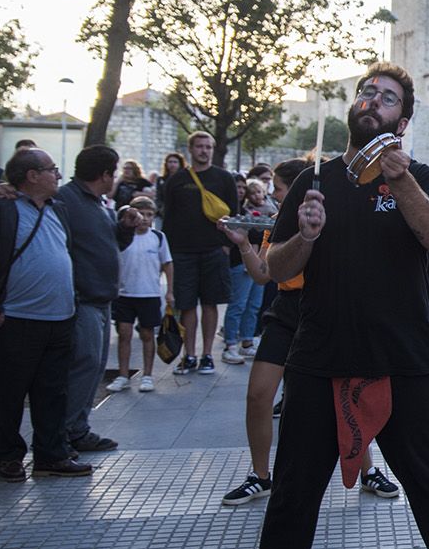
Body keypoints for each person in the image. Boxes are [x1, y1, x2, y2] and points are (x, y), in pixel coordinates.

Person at [231, 63, 429, 549]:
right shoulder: (314, 180)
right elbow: (275, 270)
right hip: (320, 358)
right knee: (296, 490)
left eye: (387, 98)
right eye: (366, 93)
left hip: (404, 362)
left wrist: (398, 181)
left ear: (402, 119)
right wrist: (306, 236)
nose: (373, 101)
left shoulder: (420, 176)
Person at [218, 158, 398, 506]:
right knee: (258, 395)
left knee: (347, 395)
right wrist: (242, 243)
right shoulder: (280, 224)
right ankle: (260, 476)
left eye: (281, 191)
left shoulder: (326, 216)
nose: (275, 197)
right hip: (286, 312)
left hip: (326, 311)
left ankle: (367, 469)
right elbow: (263, 274)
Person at [0, 149, 93, 481]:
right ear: (32, 176)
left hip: (60, 320)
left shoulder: (57, 210)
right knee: (12, 393)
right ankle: (7, 457)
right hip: (16, 321)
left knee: (52, 393)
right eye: (52, 170)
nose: (57, 176)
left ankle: (50, 456)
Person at [54, 144, 128, 455]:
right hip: (82, 300)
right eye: (115, 172)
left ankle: (78, 429)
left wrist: (124, 226)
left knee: (94, 367)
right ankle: (65, 433)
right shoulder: (65, 201)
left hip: (101, 298)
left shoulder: (98, 203)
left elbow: (113, 242)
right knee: (83, 366)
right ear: (105, 174)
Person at [161, 132, 237, 374]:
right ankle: (189, 355)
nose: (204, 151)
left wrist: (226, 246)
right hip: (183, 252)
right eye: (200, 146)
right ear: (190, 149)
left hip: (214, 250)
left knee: (210, 303)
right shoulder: (176, 180)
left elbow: (234, 215)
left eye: (208, 147)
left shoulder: (224, 178)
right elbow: (169, 217)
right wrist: (168, 254)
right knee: (187, 305)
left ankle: (207, 355)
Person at [105, 197, 172, 393]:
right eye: (140, 214)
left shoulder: (158, 237)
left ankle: (147, 375)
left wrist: (170, 291)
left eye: (149, 215)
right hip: (124, 293)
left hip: (149, 293)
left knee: (147, 334)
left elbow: (168, 263)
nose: (144, 219)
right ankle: (123, 375)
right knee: (124, 334)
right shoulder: (123, 236)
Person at [221, 179, 272, 364]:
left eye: (244, 187)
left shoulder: (265, 209)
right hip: (240, 263)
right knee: (238, 304)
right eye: (238, 188)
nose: (241, 191)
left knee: (253, 305)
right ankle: (230, 345)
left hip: (257, 261)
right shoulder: (238, 213)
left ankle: (247, 341)